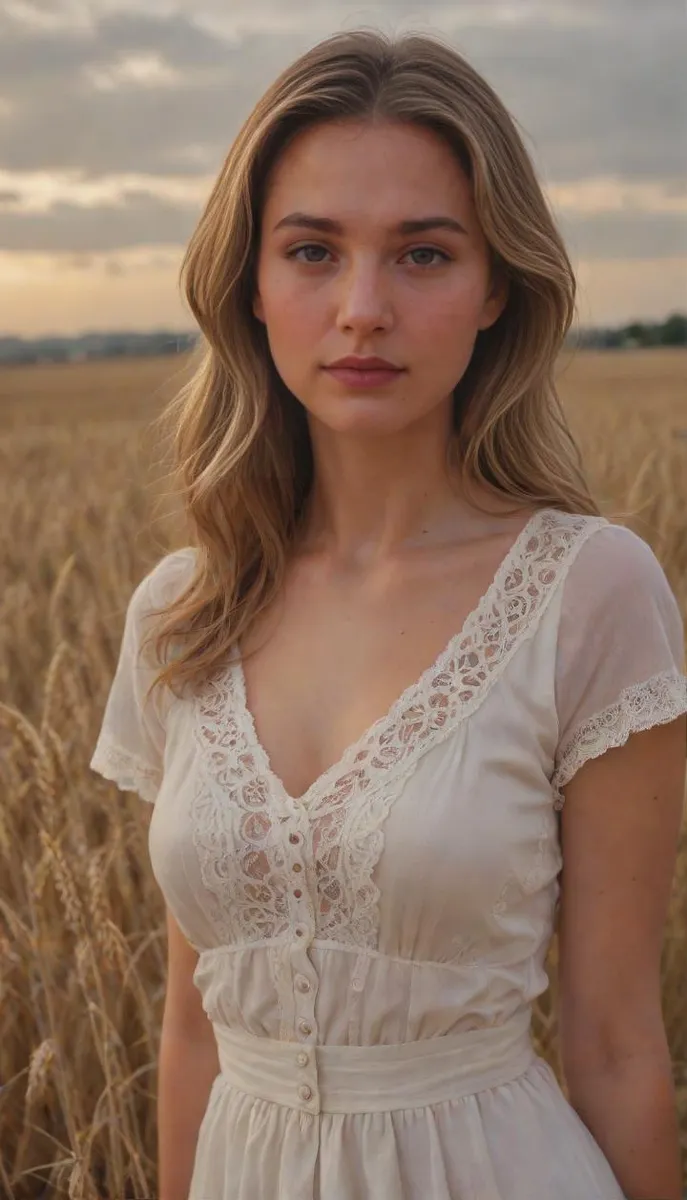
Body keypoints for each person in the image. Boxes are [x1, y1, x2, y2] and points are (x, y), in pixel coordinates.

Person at [89, 27, 687, 1200]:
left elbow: (617, 1045)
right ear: (251, 287)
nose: (363, 308)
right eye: (312, 250)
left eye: (422, 255)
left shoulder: (592, 592)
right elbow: (195, 1035)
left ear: (494, 288)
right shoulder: (184, 609)